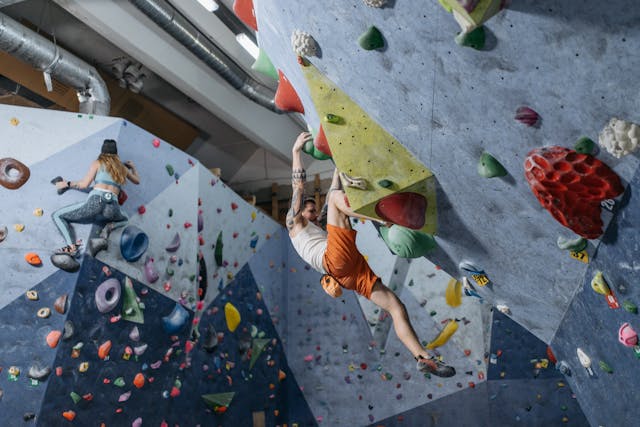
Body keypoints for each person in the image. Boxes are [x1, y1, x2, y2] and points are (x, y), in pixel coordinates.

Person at [287, 132, 455, 377]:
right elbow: (300, 186)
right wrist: (296, 152)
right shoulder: (294, 222)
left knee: (396, 307)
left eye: (313, 210)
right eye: (310, 210)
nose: (313, 214)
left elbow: (335, 187)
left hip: (347, 272)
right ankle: (386, 218)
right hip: (334, 262)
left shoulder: (317, 226)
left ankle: (423, 357)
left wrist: (339, 157)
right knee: (335, 199)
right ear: (301, 211)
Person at [52, 139, 140, 256]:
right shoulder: (122, 168)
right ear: (116, 153)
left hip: (96, 201)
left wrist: (67, 183)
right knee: (125, 219)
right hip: (112, 207)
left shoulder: (98, 163)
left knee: (57, 215)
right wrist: (133, 167)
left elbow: (84, 184)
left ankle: (71, 247)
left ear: (102, 151)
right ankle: (110, 226)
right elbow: (137, 181)